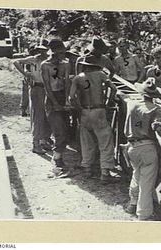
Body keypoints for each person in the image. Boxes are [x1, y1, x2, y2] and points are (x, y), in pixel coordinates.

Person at [122, 78, 161, 221]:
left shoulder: (131, 105)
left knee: (136, 175)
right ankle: (143, 214)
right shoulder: (155, 108)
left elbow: (123, 97)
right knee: (147, 182)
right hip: (147, 147)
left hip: (132, 147)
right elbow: (157, 128)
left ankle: (132, 204)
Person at [68, 55, 119, 185]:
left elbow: (71, 97)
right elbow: (113, 88)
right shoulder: (100, 75)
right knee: (105, 141)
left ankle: (87, 169)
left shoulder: (78, 78)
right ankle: (105, 173)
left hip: (85, 111)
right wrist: (109, 102)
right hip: (99, 110)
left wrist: (79, 108)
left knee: (86, 141)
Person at [13, 44, 53, 154]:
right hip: (37, 87)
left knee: (47, 115)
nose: (42, 53)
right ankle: (36, 143)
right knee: (38, 115)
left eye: (44, 51)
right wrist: (25, 73)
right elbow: (16, 62)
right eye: (40, 51)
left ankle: (44, 140)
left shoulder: (49, 61)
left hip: (47, 88)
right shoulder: (33, 59)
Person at [41, 38, 71, 174]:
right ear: (54, 53)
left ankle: (59, 156)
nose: (63, 55)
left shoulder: (65, 64)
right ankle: (57, 158)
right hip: (51, 98)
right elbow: (47, 87)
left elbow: (66, 83)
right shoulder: (45, 65)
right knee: (59, 130)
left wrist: (67, 100)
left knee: (65, 130)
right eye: (61, 53)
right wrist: (55, 103)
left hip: (62, 95)